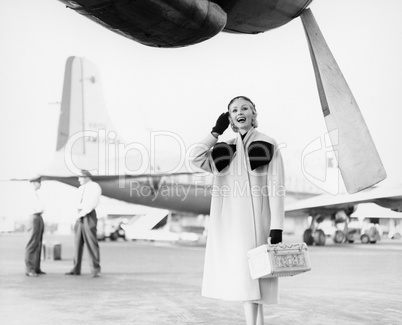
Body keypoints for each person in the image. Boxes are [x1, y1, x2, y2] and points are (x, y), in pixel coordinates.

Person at [191, 96, 285, 325]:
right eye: (234, 110)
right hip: (232, 223)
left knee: (256, 278)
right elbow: (194, 157)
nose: (239, 112)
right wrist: (215, 132)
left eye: (245, 108)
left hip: (259, 221)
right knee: (247, 279)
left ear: (254, 114)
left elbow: (277, 186)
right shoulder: (225, 148)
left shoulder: (267, 143)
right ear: (230, 118)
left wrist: (277, 226)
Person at [66, 170, 102, 277]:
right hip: (79, 216)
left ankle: (95, 269)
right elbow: (75, 203)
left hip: (88, 215)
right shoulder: (80, 189)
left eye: (80, 177)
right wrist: (76, 216)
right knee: (77, 243)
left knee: (91, 243)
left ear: (86, 176)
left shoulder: (95, 186)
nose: (78, 179)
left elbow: (92, 203)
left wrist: (82, 213)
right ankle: (76, 268)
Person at [25, 176, 46, 277]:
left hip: (38, 217)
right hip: (33, 218)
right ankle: (30, 269)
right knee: (32, 244)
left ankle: (36, 267)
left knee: (38, 244)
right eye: (39, 182)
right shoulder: (30, 193)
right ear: (33, 183)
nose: (40, 184)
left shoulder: (36, 194)